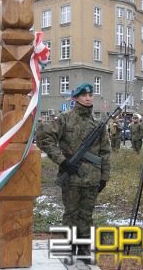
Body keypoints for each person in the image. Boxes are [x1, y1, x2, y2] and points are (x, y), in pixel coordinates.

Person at [39, 83, 111, 264]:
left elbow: (105, 152)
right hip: (71, 177)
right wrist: (63, 161)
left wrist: (104, 176)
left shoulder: (98, 124)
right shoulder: (64, 119)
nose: (88, 98)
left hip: (92, 178)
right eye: (84, 95)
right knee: (71, 213)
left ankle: (84, 248)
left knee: (87, 214)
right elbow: (44, 138)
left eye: (90, 95)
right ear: (76, 98)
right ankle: (70, 248)